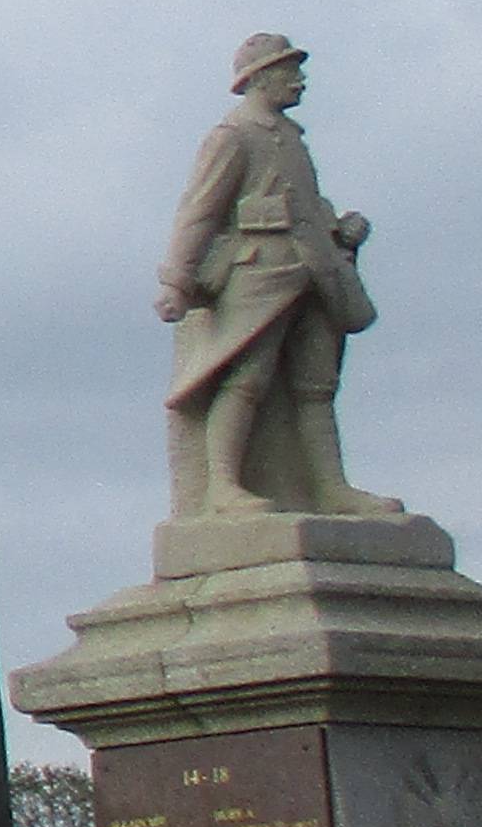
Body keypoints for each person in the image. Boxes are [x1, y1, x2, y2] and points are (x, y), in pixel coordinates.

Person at [158, 32, 397, 519]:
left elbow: (303, 206)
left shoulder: (289, 137)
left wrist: (339, 232)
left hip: (313, 269)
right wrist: (176, 280)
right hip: (260, 273)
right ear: (261, 77)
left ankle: (331, 488)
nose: (299, 80)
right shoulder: (233, 136)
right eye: (290, 71)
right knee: (247, 377)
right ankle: (223, 488)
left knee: (316, 386)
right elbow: (200, 211)